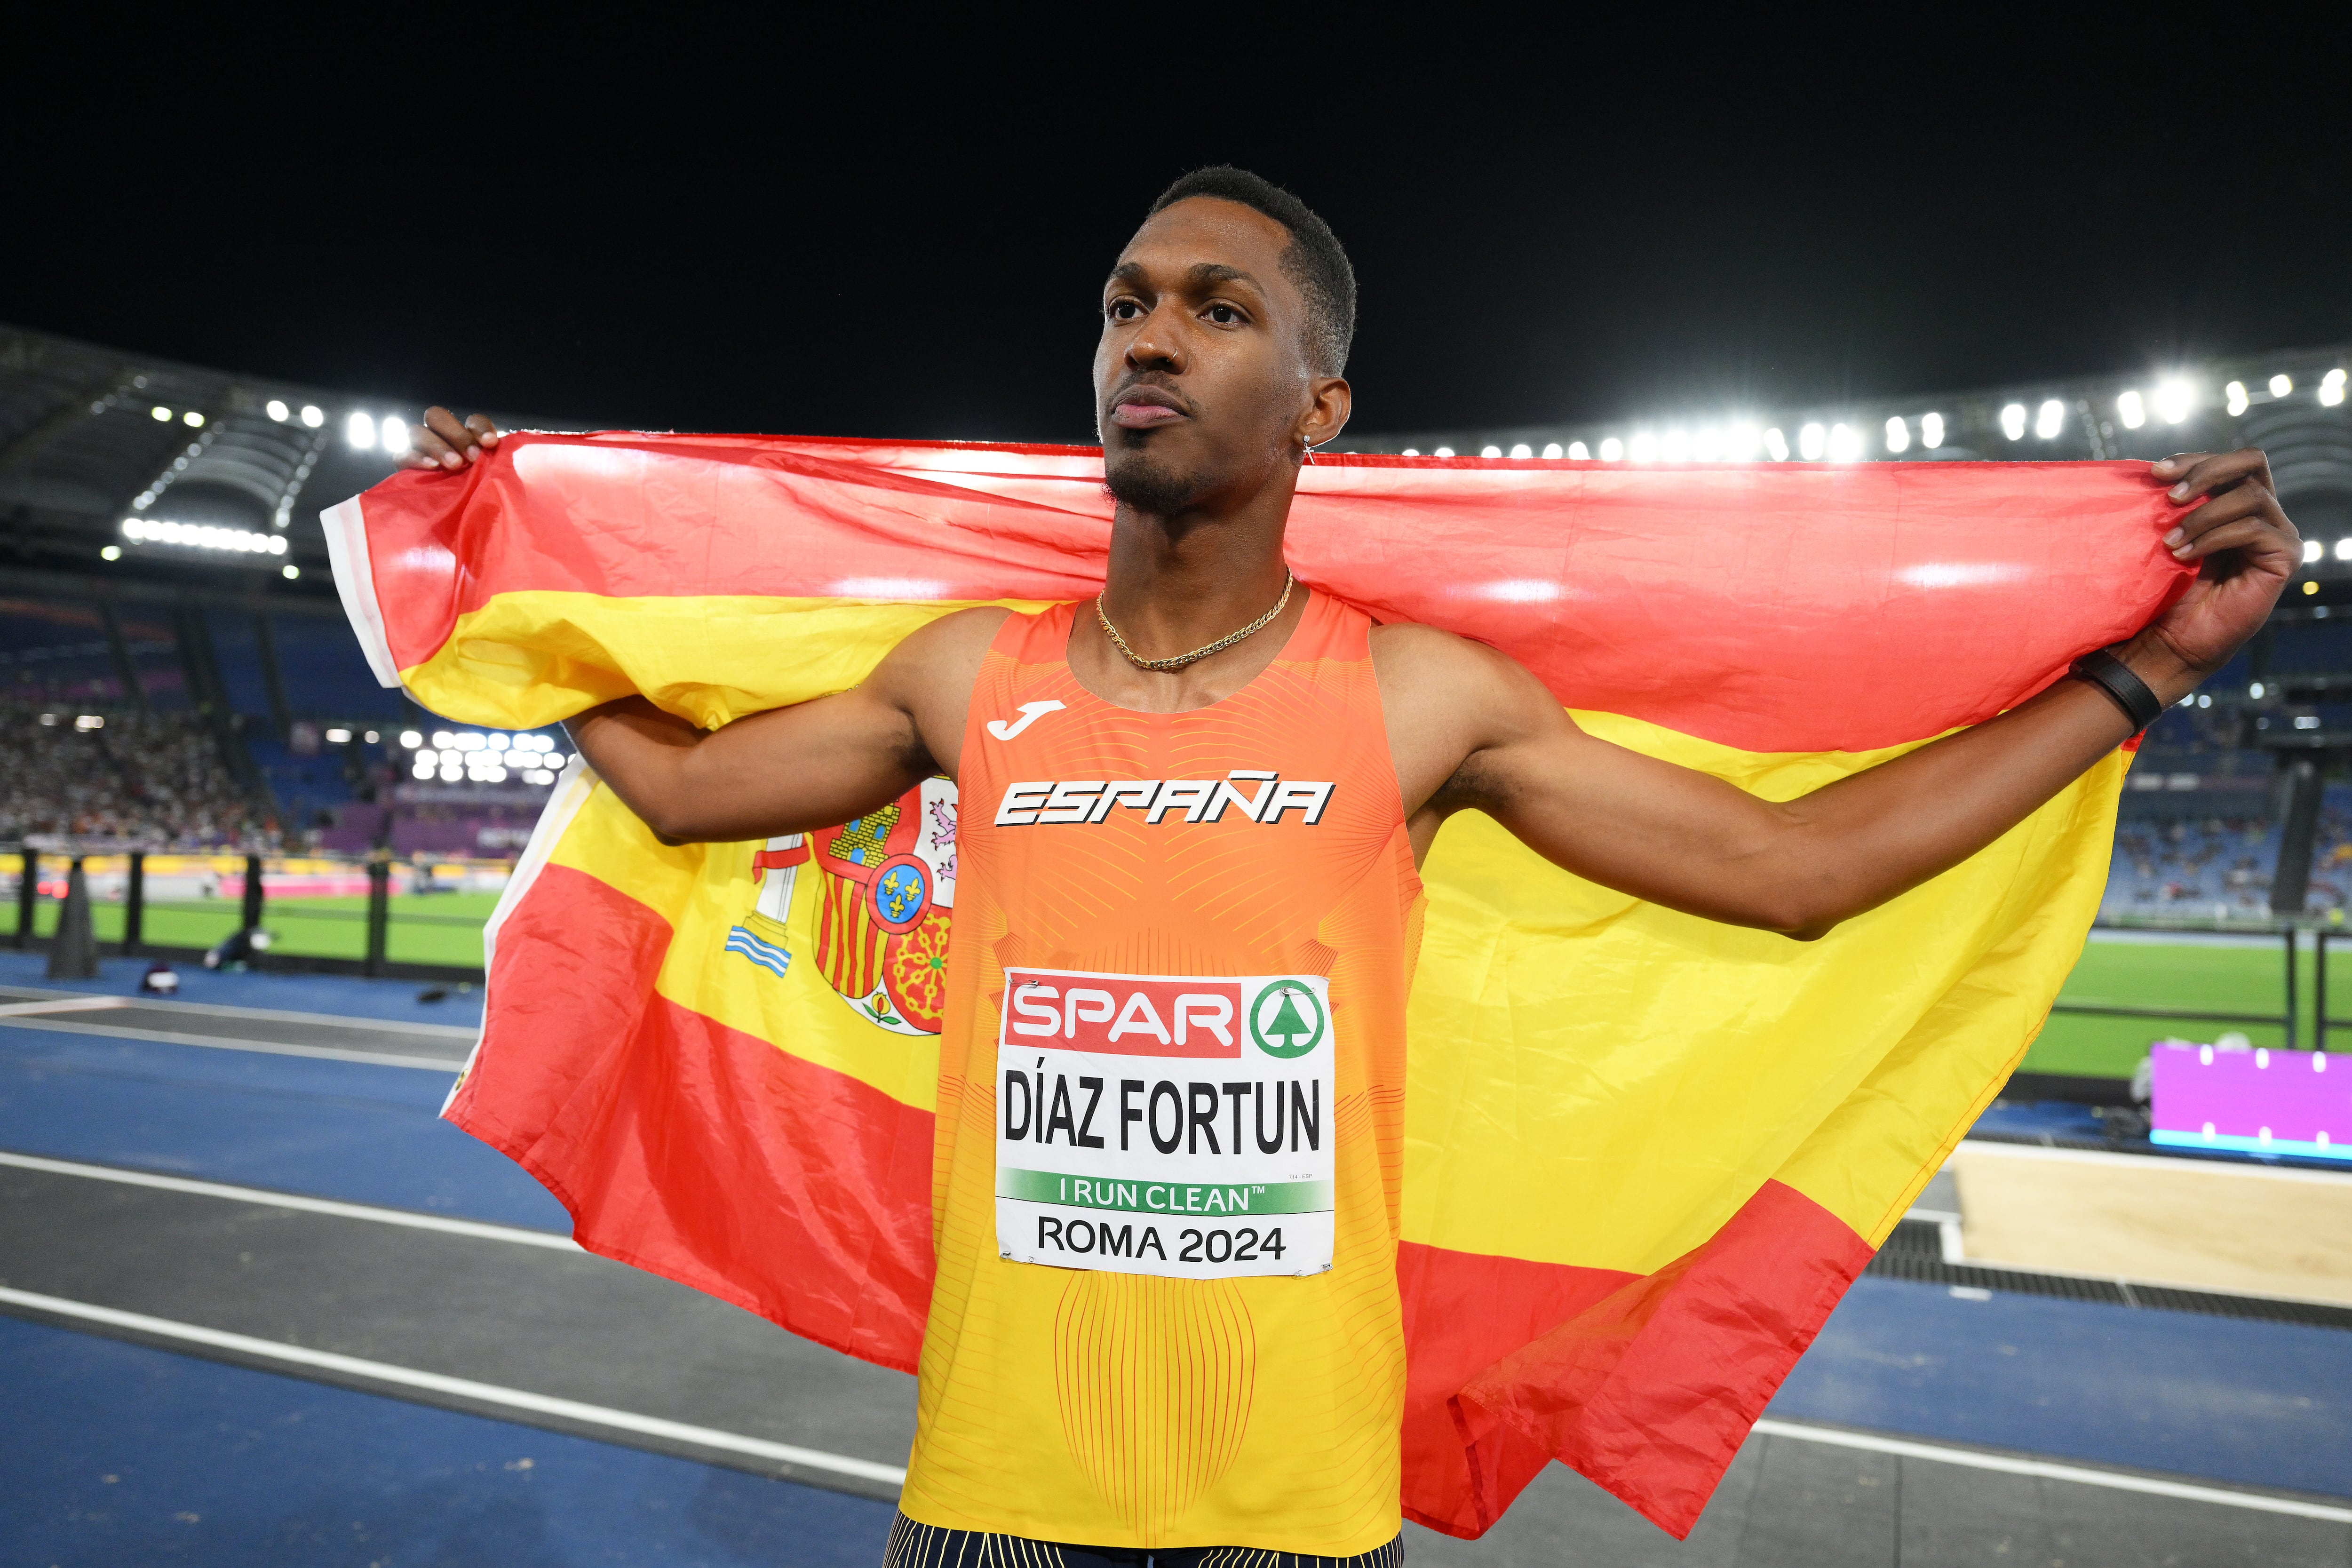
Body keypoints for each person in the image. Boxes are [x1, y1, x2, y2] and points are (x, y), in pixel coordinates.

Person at [400, 167, 2297, 1563]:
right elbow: (677, 791)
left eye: (1218, 308)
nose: (1149, 333)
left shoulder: (1415, 702)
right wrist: (516, 596)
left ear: (1317, 408)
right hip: (989, 1493)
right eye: (1127, 300)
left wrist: (2144, 672)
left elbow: (1796, 867)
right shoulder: (965, 675)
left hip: (1287, 1514)